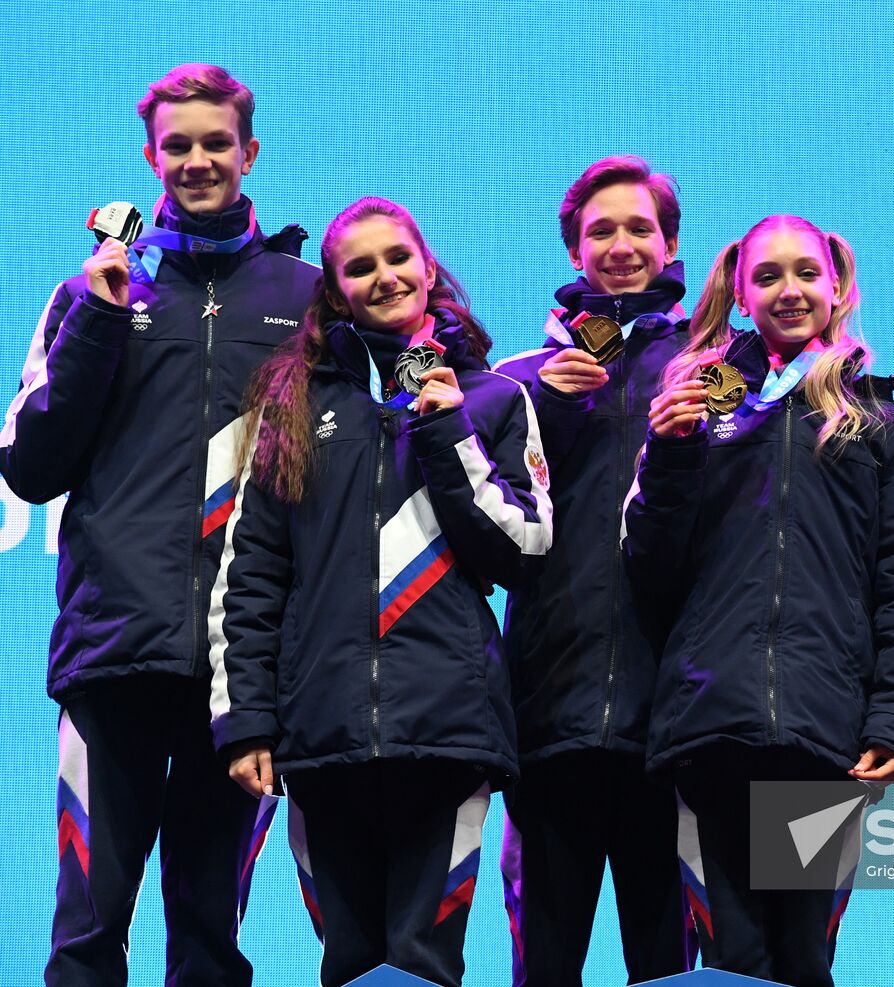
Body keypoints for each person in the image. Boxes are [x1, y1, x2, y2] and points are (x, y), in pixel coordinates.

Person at [0, 64, 319, 986]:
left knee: (210, 943)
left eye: (215, 142)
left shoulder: (305, 299)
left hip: (246, 677)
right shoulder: (92, 293)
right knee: (86, 939)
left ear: (249, 151)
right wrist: (100, 319)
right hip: (115, 657)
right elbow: (29, 463)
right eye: (177, 145)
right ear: (151, 156)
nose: (197, 160)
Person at [208, 196, 551, 987]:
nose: (385, 276)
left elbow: (524, 551)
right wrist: (248, 723)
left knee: (424, 964)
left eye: (399, 258)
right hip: (321, 737)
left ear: (429, 269)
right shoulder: (289, 410)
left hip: (449, 733)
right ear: (333, 288)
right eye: (359, 266)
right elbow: (250, 576)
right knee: (350, 965)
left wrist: (448, 430)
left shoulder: (494, 399)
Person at [622, 214, 894, 987]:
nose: (788, 290)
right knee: (731, 963)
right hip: (710, 722)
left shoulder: (882, 427)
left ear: (837, 288)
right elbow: (649, 565)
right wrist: (667, 453)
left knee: (803, 958)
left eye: (805, 273)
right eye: (767, 276)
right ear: (740, 293)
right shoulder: (694, 408)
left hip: (824, 731)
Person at [492, 155, 695, 986]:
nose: (620, 245)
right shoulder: (515, 381)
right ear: (575, 250)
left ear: (671, 242)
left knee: (669, 963)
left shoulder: (712, 369)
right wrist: (548, 403)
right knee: (544, 963)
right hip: (549, 716)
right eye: (599, 230)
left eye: (639, 227)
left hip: (675, 719)